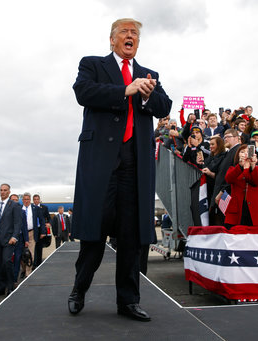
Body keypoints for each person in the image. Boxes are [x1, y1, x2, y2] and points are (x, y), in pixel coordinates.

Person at [69, 18, 172, 322]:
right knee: (94, 234)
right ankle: (79, 289)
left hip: (134, 164)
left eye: (135, 34)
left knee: (131, 237)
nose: (131, 37)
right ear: (112, 40)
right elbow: (83, 93)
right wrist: (126, 89)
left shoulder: (149, 74)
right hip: (101, 161)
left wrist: (147, 93)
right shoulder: (92, 64)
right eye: (125, 33)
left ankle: (128, 301)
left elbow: (164, 107)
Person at [224, 145, 258, 227]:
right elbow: (229, 179)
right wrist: (241, 166)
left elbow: (257, 181)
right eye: (242, 152)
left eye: (247, 152)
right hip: (238, 209)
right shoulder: (233, 169)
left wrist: (252, 166)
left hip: (255, 210)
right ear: (237, 155)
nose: (245, 154)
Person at [0, 184, 22, 296]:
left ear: (9, 192)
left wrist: (14, 236)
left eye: (5, 190)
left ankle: (10, 286)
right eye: (1, 190)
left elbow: (17, 222)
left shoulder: (14, 205)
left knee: (7, 261)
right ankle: (0, 288)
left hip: (9, 239)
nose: (3, 192)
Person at [20, 192, 46, 277]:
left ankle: (28, 273)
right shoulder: (19, 209)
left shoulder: (35, 208)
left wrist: (43, 231)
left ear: (30, 200)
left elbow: (42, 220)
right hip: (21, 234)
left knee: (30, 254)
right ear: (22, 200)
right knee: (21, 254)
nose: (26, 201)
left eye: (28, 199)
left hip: (32, 233)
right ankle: (23, 270)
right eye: (25, 199)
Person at [9, 193, 28, 285]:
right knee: (7, 261)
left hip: (19, 239)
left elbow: (24, 226)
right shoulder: (5, 211)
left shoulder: (22, 212)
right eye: (12, 200)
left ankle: (14, 280)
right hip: (7, 240)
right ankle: (7, 280)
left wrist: (26, 240)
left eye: (16, 200)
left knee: (17, 260)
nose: (14, 201)